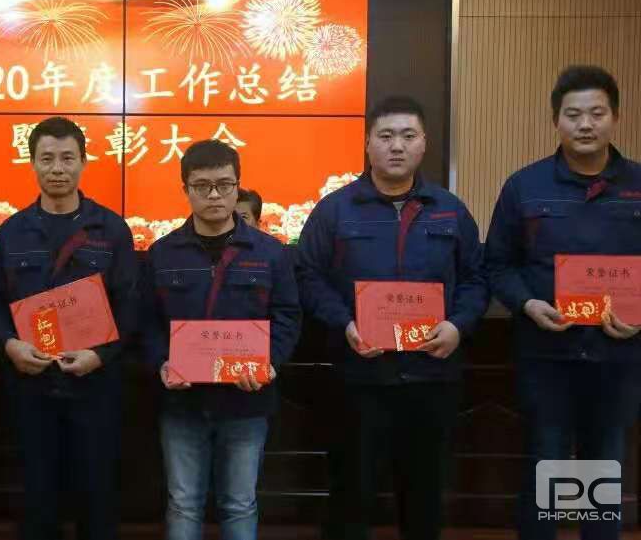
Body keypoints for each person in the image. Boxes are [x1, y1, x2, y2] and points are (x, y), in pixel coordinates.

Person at [298, 96, 488, 540]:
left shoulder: (450, 210)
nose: (396, 146)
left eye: (407, 136)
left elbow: (477, 277)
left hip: (432, 378)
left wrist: (458, 325)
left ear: (424, 143)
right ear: (368, 144)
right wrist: (344, 322)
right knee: (352, 494)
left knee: (424, 496)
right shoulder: (335, 210)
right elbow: (307, 275)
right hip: (359, 379)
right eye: (385, 136)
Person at [484, 65, 641, 540]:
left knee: (602, 463)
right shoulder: (525, 186)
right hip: (546, 356)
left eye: (597, 113)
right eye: (573, 114)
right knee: (545, 461)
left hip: (617, 357)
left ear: (615, 117)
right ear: (556, 120)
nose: (585, 124)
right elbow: (497, 265)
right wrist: (528, 304)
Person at [0, 116, 138, 540]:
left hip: (94, 386)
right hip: (31, 387)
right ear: (32, 162)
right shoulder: (12, 231)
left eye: (68, 158)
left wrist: (99, 356)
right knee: (37, 499)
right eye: (47, 158)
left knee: (97, 498)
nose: (57, 168)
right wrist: (9, 345)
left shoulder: (111, 229)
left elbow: (130, 307)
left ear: (84, 163)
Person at [142, 139, 301, 539]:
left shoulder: (271, 253)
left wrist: (270, 362)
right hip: (182, 403)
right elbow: (146, 321)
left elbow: (287, 315)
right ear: (185, 189)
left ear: (237, 186)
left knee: (239, 503)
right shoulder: (162, 253)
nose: (214, 195)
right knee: (183, 503)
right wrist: (161, 362)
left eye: (224, 185)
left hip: (246, 401)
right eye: (202, 186)